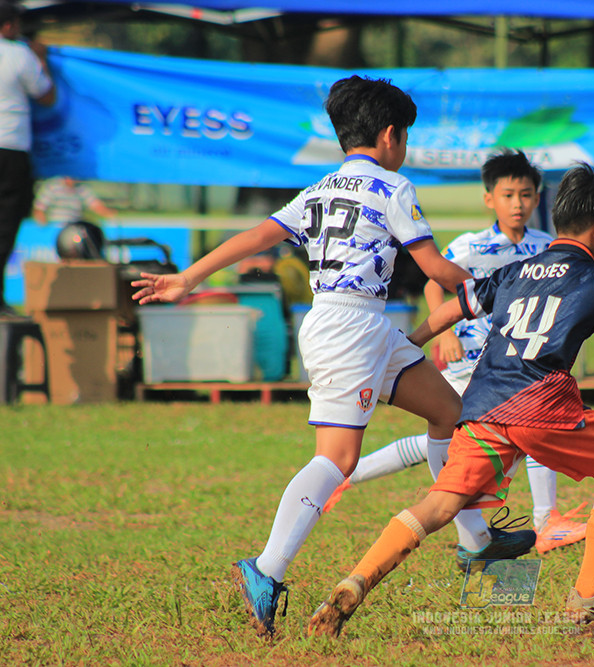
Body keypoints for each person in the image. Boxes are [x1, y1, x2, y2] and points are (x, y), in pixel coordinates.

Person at [305, 164, 594, 638]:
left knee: (439, 503)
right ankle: (589, 595)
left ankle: (355, 581)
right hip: (539, 400)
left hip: (483, 402)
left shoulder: (516, 271)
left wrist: (408, 345)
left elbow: (453, 305)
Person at [132, 75, 473, 638]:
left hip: (362, 325)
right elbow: (436, 269)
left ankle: (474, 539)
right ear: (390, 135)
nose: (405, 147)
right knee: (336, 459)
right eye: (405, 135)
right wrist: (494, 287)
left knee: (449, 412)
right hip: (351, 327)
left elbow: (258, 236)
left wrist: (190, 276)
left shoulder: (320, 189)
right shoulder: (393, 188)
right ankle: (266, 569)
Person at [324, 148, 588, 562]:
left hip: (518, 360)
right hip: (473, 361)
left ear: (538, 199)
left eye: (525, 195)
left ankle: (347, 476)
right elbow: (435, 282)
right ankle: (540, 521)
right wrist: (440, 331)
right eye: (507, 195)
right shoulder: (472, 246)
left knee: (466, 445)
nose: (517, 204)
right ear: (490, 200)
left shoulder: (547, 248)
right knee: (520, 429)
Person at [0, 1, 55, 315]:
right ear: (8, 26)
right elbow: (47, 96)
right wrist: (42, 60)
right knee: (6, 223)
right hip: (9, 148)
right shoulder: (19, 54)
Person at [32, 176, 116, 226]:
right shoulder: (52, 186)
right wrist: (44, 227)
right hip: (54, 226)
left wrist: (111, 217)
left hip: (74, 229)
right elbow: (39, 210)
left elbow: (97, 206)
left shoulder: (82, 188)